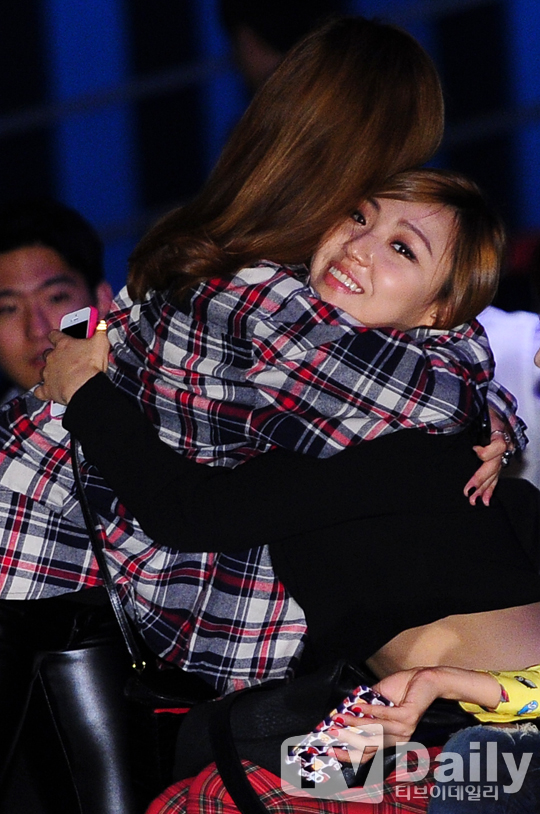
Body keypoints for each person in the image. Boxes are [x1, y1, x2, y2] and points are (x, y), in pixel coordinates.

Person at [0, 199, 142, 814]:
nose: (38, 328)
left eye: (56, 297)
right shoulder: (11, 446)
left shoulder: (177, 407)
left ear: (103, 300)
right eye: (7, 308)